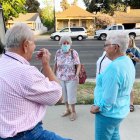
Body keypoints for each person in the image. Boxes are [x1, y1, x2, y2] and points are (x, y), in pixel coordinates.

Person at [0, 23, 72, 140]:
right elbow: (58, 96)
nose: (35, 46)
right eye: (33, 43)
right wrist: (46, 65)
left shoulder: (2, 62)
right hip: (26, 135)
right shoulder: (25, 72)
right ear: (26, 45)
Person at [90, 33, 135, 140]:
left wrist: (97, 107)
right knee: (114, 135)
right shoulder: (127, 61)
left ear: (115, 47)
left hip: (108, 115)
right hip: (120, 110)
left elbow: (109, 100)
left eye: (106, 45)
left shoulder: (114, 68)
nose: (105, 49)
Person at [53, 35, 81, 121]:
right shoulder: (58, 52)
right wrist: (53, 74)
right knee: (64, 96)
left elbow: (78, 64)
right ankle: (68, 110)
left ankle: (73, 111)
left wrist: (77, 74)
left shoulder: (74, 53)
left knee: (71, 96)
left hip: (71, 78)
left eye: (67, 43)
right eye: (64, 43)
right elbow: (55, 64)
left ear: (70, 44)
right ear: (61, 43)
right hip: (60, 77)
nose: (65, 44)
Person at [126, 37, 140, 112]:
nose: (128, 42)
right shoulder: (122, 49)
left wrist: (132, 56)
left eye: (129, 41)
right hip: (122, 70)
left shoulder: (135, 49)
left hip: (130, 70)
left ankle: (131, 104)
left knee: (130, 87)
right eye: (127, 41)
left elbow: (138, 60)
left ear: (132, 42)